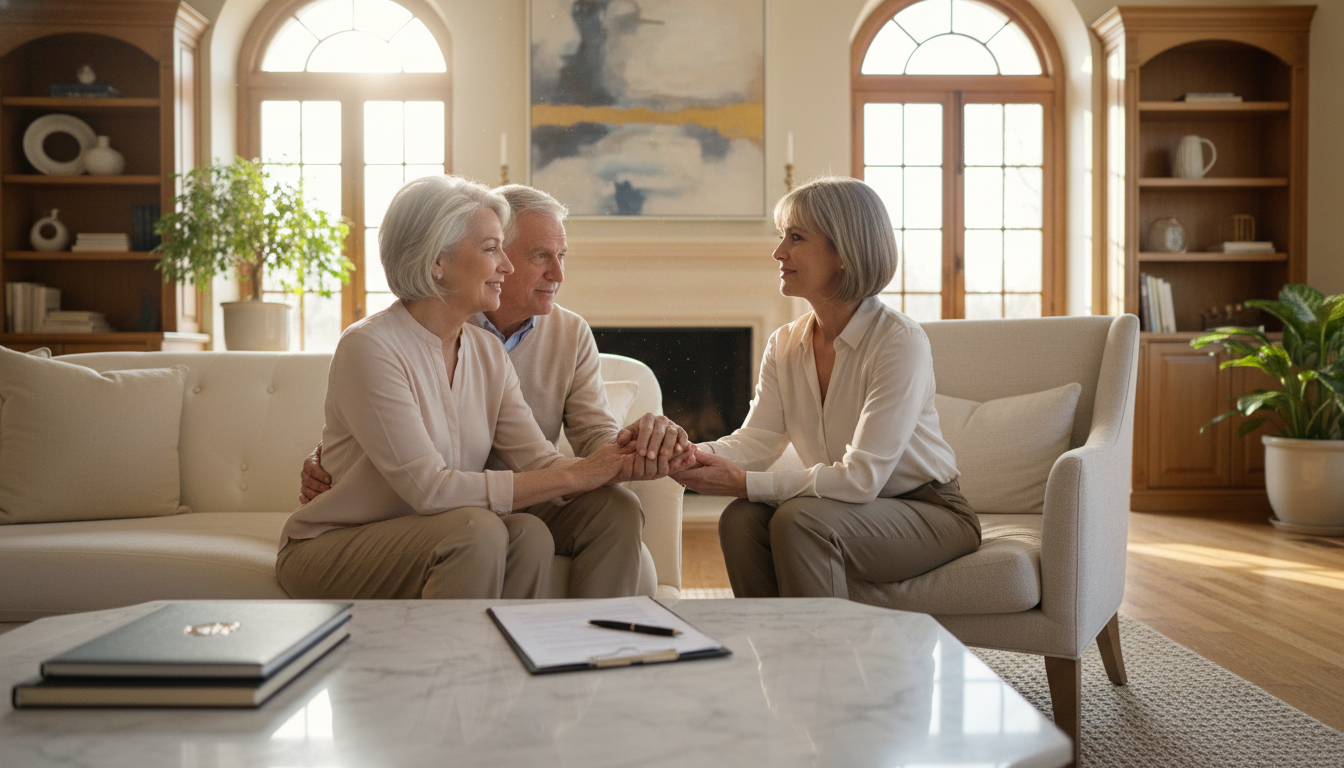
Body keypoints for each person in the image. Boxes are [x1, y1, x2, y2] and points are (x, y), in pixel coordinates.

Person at [298, 183, 692, 598]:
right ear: (437, 261)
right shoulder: (371, 344)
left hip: (471, 514)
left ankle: (580, 647)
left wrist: (637, 450)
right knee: (480, 529)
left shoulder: (486, 350)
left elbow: (540, 458)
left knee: (555, 525)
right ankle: (464, 662)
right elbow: (426, 485)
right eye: (492, 249)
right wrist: (582, 471)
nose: (504, 265)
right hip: (367, 532)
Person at [670, 176, 980, 598]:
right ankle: (775, 655)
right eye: (782, 237)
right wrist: (685, 453)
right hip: (848, 507)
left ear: (845, 254)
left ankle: (824, 661)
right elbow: (758, 440)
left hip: (929, 511)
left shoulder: (898, 341)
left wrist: (745, 482)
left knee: (799, 520)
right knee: (740, 520)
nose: (778, 252)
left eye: (796, 238)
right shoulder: (785, 343)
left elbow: (862, 479)